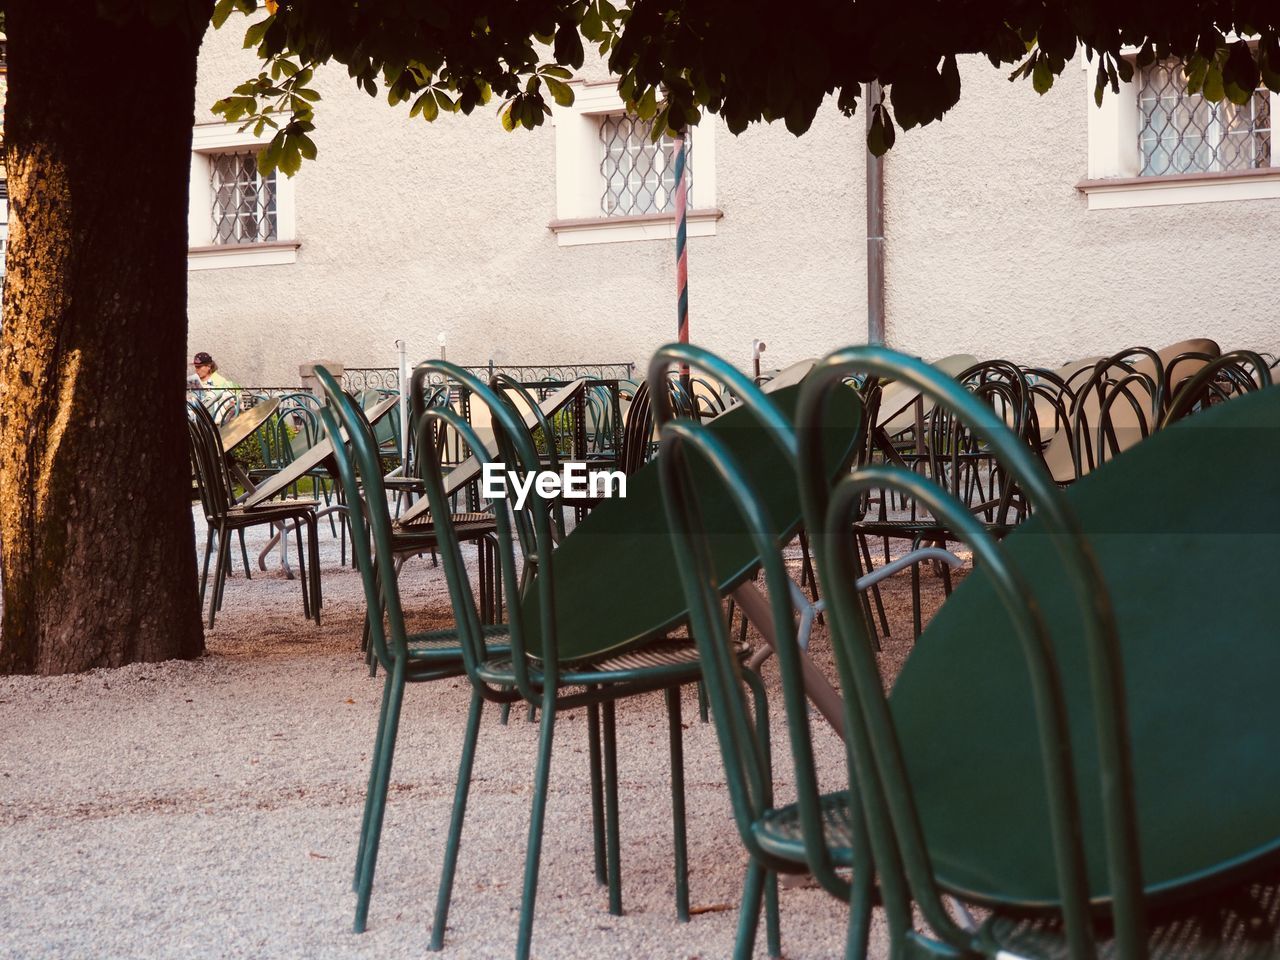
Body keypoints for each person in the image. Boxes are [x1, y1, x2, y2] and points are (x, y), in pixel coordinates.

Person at [190, 351, 240, 417]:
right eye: (196, 367)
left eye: (199, 367)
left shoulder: (220, 381)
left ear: (208, 366)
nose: (196, 370)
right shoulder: (194, 380)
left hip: (212, 419)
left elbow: (229, 402)